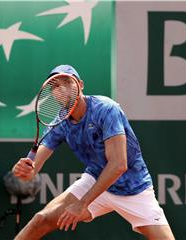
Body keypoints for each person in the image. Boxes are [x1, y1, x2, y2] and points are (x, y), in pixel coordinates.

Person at [12, 65, 175, 240]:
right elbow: (33, 168)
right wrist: (26, 170)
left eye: (67, 82)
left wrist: (82, 203)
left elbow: (119, 165)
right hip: (95, 179)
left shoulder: (106, 109)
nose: (61, 89)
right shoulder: (60, 121)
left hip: (133, 187)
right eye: (55, 86)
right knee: (41, 219)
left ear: (80, 85)